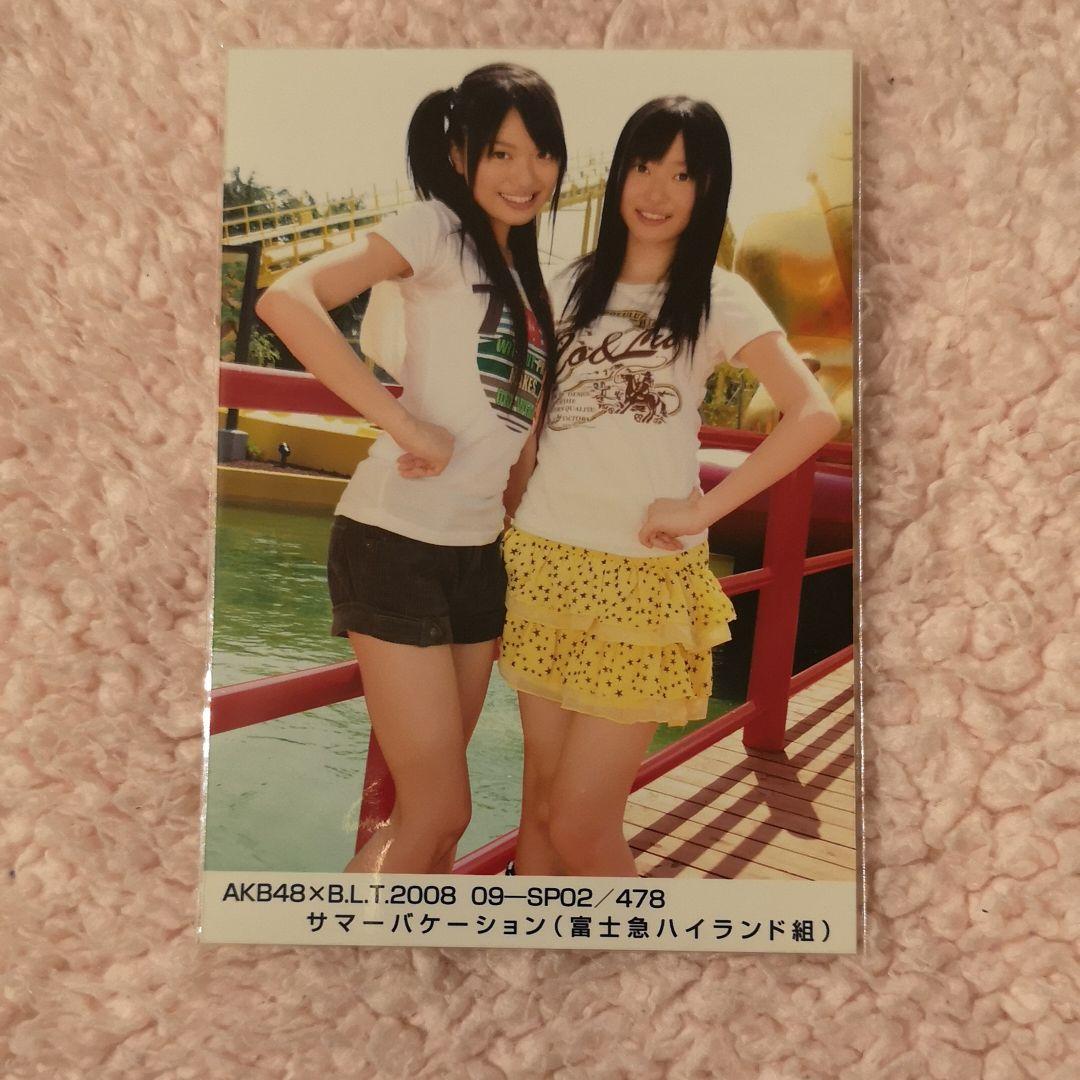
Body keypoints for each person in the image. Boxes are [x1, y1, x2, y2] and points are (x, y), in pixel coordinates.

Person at [500, 97, 841, 877]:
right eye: (643, 166)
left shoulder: (717, 296)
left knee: (580, 823)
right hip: (545, 563)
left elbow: (813, 412)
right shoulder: (567, 283)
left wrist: (704, 508)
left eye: (682, 175)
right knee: (540, 805)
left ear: (708, 189)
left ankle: (643, 953)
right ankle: (533, 948)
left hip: (641, 579)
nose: (656, 190)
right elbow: (533, 418)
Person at [255, 64, 566, 874]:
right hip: (396, 539)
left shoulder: (531, 275)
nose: (525, 174)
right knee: (439, 808)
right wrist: (401, 423)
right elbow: (286, 300)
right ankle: (326, 947)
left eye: (541, 153)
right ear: (460, 157)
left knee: (437, 826)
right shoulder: (434, 227)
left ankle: (390, 945)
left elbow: (522, 437)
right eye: (501, 153)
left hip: (478, 555)